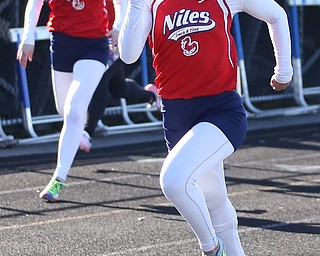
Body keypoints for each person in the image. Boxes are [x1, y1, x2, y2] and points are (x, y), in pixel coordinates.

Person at [118, 0, 293, 255]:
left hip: (221, 110)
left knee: (174, 181)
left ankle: (211, 249)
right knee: (215, 202)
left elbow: (276, 15)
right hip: (177, 115)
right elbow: (128, 55)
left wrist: (284, 72)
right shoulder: (151, 1)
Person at [16, 0, 125, 202]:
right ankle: (79, 132)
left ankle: (58, 179)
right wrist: (27, 36)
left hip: (95, 44)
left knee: (74, 111)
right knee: (64, 111)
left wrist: (118, 26)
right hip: (62, 43)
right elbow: (35, 3)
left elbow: (121, 1)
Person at [79, 58, 159, 153]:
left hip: (109, 47)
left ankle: (87, 132)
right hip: (88, 48)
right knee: (119, 88)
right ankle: (150, 95)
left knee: (101, 77)